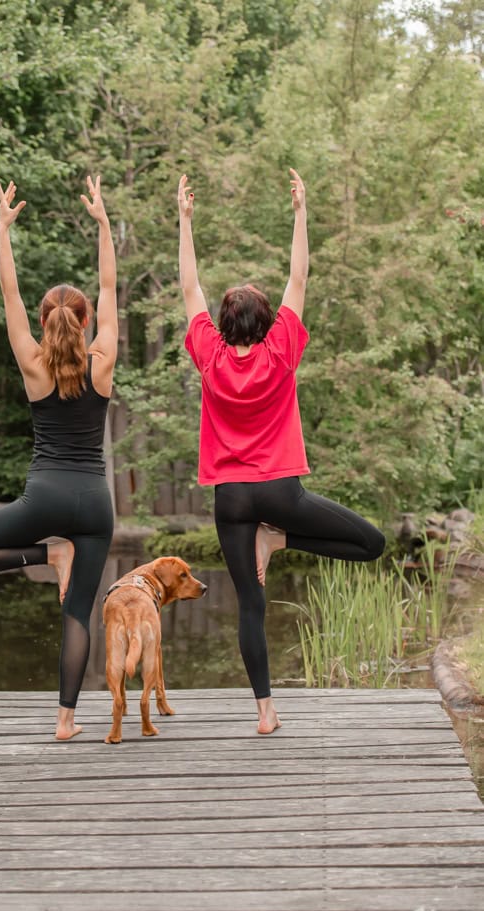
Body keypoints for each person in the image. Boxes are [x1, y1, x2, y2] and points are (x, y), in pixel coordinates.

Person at [177, 169, 385, 735]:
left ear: (222, 325)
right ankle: (282, 536)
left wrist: (185, 221)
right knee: (371, 544)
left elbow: (189, 288)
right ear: (268, 323)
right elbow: (299, 275)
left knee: (250, 604)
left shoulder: (210, 358)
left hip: (229, 500)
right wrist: (300, 212)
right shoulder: (281, 351)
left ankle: (266, 712)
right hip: (278, 491)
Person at [0, 175, 117, 741]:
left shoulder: (33, 364)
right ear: (85, 321)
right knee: (78, 615)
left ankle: (45, 557)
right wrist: (103, 224)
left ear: (45, 324)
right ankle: (66, 720)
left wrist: (3, 230)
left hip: (42, 499)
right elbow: (112, 288)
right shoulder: (103, 360)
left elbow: (9, 293)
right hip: (95, 504)